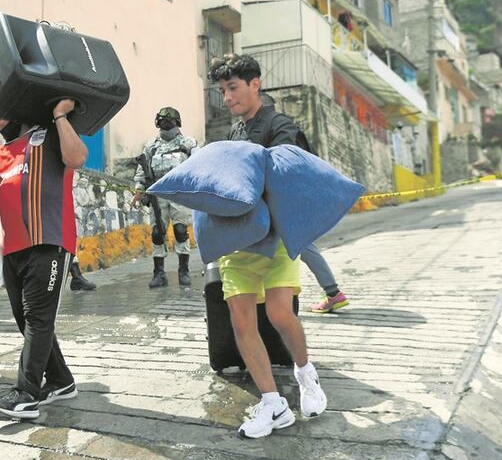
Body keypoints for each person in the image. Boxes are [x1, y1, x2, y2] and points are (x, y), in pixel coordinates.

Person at [209, 53, 327, 439]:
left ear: (255, 84)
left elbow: (290, 175)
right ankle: (273, 403)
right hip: (237, 245)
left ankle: (306, 374)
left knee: (279, 313)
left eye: (233, 88)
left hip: (275, 241)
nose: (227, 98)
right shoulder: (232, 135)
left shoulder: (281, 126)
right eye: (222, 91)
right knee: (242, 322)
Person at [0, 98, 86, 420]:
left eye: (3, 114)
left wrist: (59, 115)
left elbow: (79, 157)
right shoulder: (3, 153)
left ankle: (26, 393)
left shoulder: (50, 137)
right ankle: (60, 380)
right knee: (25, 318)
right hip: (13, 249)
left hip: (50, 242)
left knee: (38, 318)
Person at [254, 95, 350, 314]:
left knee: (300, 247)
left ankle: (333, 293)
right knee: (302, 247)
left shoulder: (276, 131)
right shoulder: (286, 129)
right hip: (292, 200)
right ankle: (332, 293)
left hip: (285, 203)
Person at [132, 107, 198, 287]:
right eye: (163, 121)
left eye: (170, 121)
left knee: (180, 231)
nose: (167, 124)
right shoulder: (151, 146)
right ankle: (159, 274)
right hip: (157, 193)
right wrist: (139, 192)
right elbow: (141, 171)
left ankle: (183, 271)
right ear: (158, 123)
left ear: (178, 122)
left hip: (180, 193)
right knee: (157, 233)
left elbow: (199, 165)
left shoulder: (188, 143)